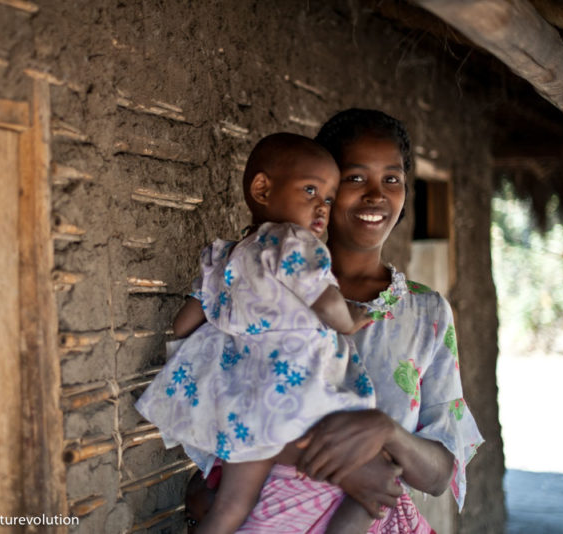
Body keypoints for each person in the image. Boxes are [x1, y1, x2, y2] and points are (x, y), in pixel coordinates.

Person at [233, 108, 484, 533]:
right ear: (326, 189)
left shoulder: (426, 313)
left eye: (392, 179)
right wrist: (347, 472)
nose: (376, 195)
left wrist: (385, 431)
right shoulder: (267, 282)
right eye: (355, 178)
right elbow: (218, 400)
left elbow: (440, 474)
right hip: (271, 515)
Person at [136, 132, 378, 534]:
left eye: (329, 198)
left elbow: (185, 321)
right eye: (311, 190)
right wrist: (349, 321)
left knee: (229, 510)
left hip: (245, 404)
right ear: (262, 188)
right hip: (296, 396)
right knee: (366, 471)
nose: (322, 206)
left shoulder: (229, 255)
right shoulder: (292, 242)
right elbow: (326, 300)